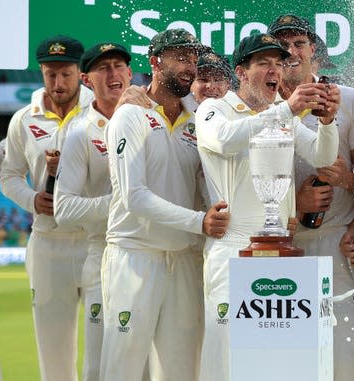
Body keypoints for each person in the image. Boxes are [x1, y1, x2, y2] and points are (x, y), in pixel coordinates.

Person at [195, 32, 340, 380]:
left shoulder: (280, 114)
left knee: (274, 365)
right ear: (242, 72)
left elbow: (323, 155)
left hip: (279, 247)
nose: (275, 70)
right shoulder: (215, 108)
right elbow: (226, 141)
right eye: (263, 63)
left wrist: (327, 121)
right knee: (225, 363)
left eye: (278, 62)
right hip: (232, 247)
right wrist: (287, 110)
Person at [99, 29, 229, 381]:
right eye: (180, 58)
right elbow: (133, 197)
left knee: (182, 370)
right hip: (135, 255)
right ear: (155, 61)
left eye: (192, 58)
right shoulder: (131, 114)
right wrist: (200, 221)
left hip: (186, 258)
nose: (190, 66)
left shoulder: (201, 119)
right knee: (122, 368)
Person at [268, 14, 354, 380]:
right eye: (281, 45)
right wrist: (294, 204)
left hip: (335, 244)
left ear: (314, 49)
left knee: (343, 357)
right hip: (282, 242)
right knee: (288, 363)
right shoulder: (259, 107)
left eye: (298, 43)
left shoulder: (347, 99)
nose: (291, 51)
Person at [0, 35, 93, 381]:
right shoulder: (24, 120)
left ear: (80, 73)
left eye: (65, 74)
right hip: (48, 244)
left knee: (102, 349)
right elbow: (9, 175)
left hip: (95, 242)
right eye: (50, 74)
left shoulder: (102, 112)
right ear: (41, 72)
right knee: (54, 354)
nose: (58, 83)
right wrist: (31, 200)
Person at [52, 42, 132, 381]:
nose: (113, 74)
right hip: (102, 254)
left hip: (152, 254)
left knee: (142, 363)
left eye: (119, 66)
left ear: (130, 73)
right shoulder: (80, 133)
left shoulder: (152, 119)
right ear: (87, 79)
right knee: (99, 363)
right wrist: (123, 202)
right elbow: (63, 209)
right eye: (103, 68)